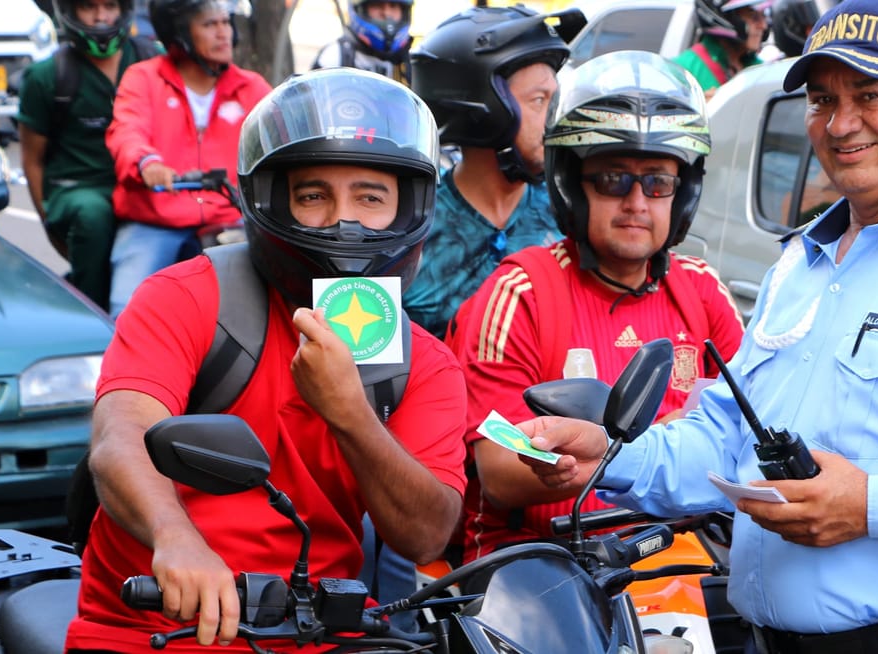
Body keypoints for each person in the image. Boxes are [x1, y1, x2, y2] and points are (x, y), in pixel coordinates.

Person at [520, 1, 878, 652]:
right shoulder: (801, 263)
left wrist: (873, 506)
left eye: (869, 94)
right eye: (823, 100)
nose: (841, 124)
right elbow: (728, 438)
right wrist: (612, 454)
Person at [64, 68, 467, 653]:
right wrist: (175, 538)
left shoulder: (424, 364)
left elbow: (426, 533)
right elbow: (121, 436)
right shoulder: (188, 297)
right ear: (271, 201)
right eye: (313, 196)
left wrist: (351, 414)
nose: (342, 220)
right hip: (153, 624)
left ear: (408, 210)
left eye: (370, 198)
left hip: (322, 633)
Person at [450, 50, 745, 563]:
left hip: (685, 560)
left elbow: (750, 431)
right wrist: (640, 446)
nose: (637, 203)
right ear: (571, 185)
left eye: (658, 182)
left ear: (683, 194)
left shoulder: (702, 291)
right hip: (541, 564)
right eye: (613, 180)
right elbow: (498, 471)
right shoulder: (520, 293)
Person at [403, 6, 584, 339]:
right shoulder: (413, 230)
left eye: (553, 100)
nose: (553, 120)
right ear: (485, 113)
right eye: (538, 101)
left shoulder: (570, 215)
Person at [105, 0, 271, 318]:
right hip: (155, 221)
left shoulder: (252, 88)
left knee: (261, 307)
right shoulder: (143, 78)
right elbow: (127, 131)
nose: (224, 33)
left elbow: (281, 139)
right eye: (210, 25)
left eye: (225, 22)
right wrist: (147, 163)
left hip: (230, 218)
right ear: (179, 34)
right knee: (126, 308)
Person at [17, 0, 154, 311]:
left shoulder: (151, 60)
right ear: (70, 12)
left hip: (142, 183)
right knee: (92, 215)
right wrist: (49, 224)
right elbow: (32, 161)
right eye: (88, 6)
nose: (101, 16)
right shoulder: (46, 77)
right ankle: (93, 317)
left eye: (110, 6)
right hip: (78, 191)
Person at [674, 0, 772, 99]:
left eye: (763, 16)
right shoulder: (681, 70)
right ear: (727, 17)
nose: (763, 26)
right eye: (754, 18)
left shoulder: (760, 68)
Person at [312, 0, 413, 86]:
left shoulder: (415, 58)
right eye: (377, 5)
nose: (386, 13)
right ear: (360, 9)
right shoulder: (334, 56)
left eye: (393, 6)